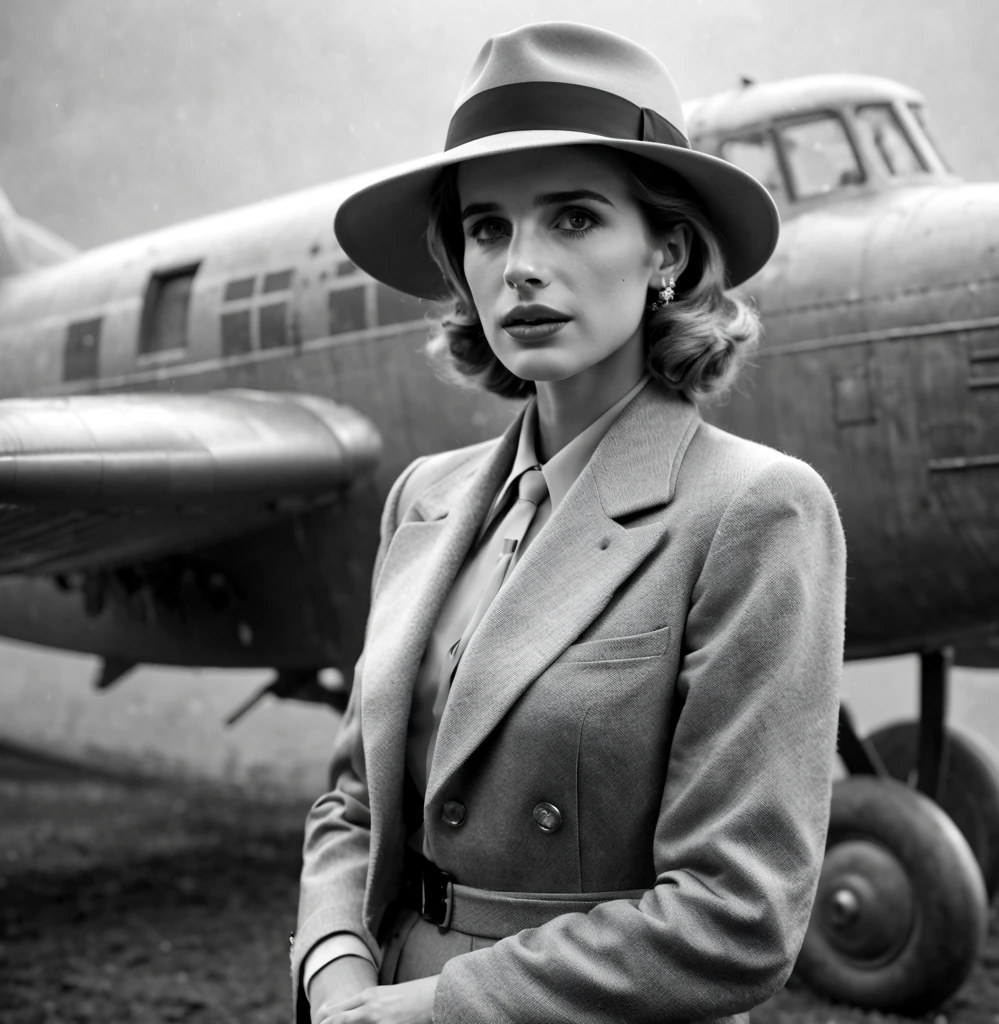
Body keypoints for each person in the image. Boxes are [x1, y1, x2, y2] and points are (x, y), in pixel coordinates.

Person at [293, 21, 846, 1024]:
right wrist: (333, 973)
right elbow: (353, 803)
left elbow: (735, 917)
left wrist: (420, 1014)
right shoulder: (422, 500)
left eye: (575, 219)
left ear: (665, 251)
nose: (520, 268)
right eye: (488, 228)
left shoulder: (755, 512)